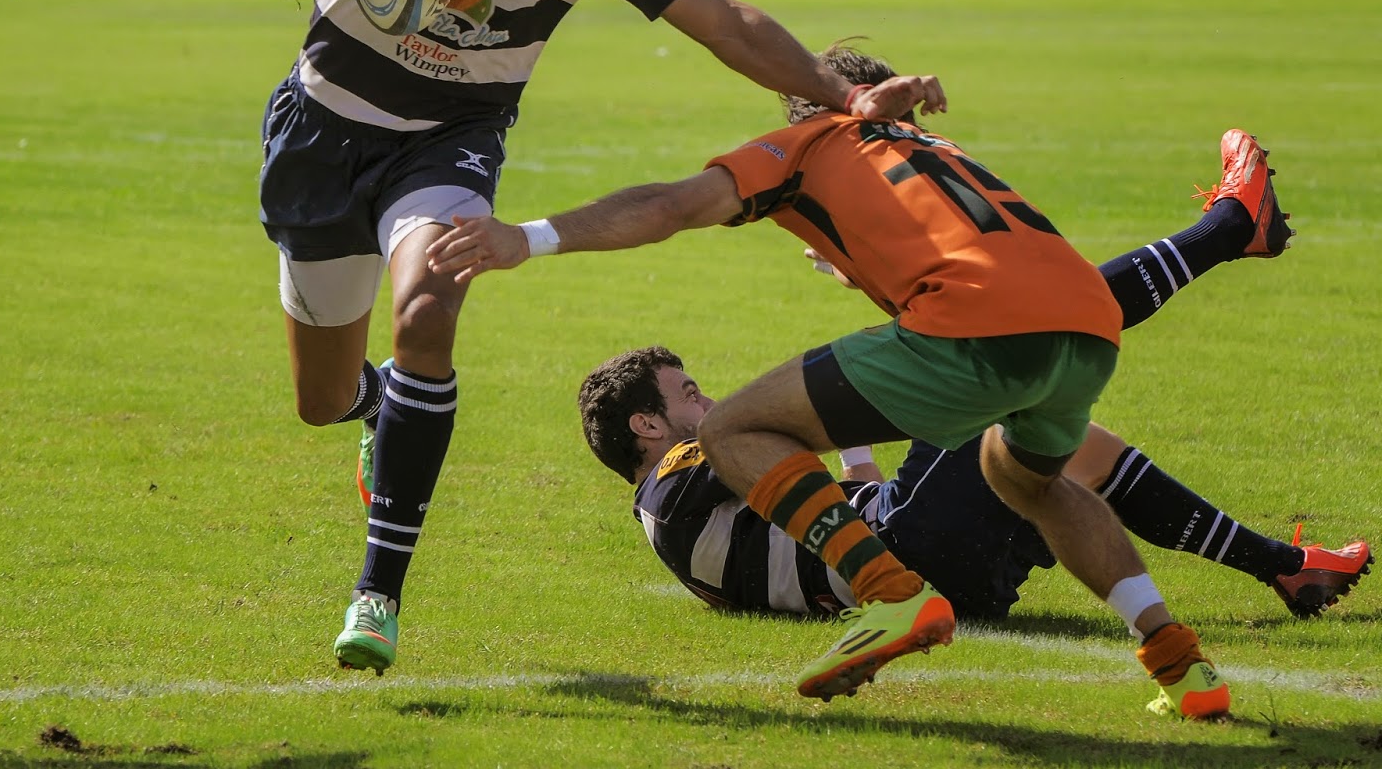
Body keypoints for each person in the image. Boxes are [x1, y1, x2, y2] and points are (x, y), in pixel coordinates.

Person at [240, 0, 863, 677]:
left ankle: (377, 591)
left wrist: (844, 94)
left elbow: (725, 22)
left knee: (430, 303)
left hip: (447, 145)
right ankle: (377, 406)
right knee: (322, 397)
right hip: (322, 134)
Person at [426, 41, 1276, 718]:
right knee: (1032, 481)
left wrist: (529, 237)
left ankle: (888, 591)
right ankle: (1181, 662)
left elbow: (670, 206)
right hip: (1087, 319)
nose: (696, 393)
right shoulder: (926, 143)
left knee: (733, 429)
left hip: (981, 334)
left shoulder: (807, 144)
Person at [582, 344, 1370, 623]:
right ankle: (1280, 566)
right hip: (910, 550)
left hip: (915, 554)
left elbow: (834, 508)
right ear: (647, 425)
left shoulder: (687, 512)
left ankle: (1285, 567)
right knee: (996, 376)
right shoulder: (666, 493)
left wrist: (849, 441)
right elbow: (771, 446)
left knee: (1069, 447)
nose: (712, 405)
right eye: (689, 395)